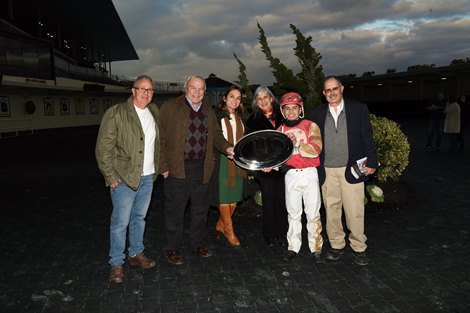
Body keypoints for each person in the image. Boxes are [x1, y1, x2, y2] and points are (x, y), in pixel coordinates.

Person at [158, 75, 234, 265]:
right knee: (175, 211)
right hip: (178, 169)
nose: (197, 93)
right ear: (186, 88)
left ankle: (198, 242)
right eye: (193, 88)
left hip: (202, 168)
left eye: (201, 89)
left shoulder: (208, 111)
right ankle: (172, 248)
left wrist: (227, 148)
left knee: (200, 210)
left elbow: (216, 135)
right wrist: (163, 166)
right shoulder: (170, 107)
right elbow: (160, 138)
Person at [95, 75, 159, 283]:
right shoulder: (116, 113)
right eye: (142, 89)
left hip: (148, 176)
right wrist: (110, 175)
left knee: (139, 218)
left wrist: (158, 168)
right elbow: (103, 147)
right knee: (120, 222)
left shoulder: (153, 112)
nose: (146, 93)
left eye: (149, 90)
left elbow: (157, 143)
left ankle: (136, 254)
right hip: (123, 178)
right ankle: (116, 263)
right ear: (133, 91)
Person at [310, 76, 378, 266]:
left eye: (335, 89)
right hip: (326, 170)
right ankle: (337, 245)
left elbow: (367, 135)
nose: (332, 93)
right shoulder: (316, 114)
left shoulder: (358, 109)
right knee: (331, 210)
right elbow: (312, 142)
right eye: (327, 90)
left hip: (353, 169)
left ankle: (359, 247)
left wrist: (372, 160)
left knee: (355, 210)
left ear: (342, 89)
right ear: (324, 94)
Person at [274, 92, 323, 262]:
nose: (291, 112)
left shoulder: (311, 125)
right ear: (282, 110)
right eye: (287, 108)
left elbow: (316, 149)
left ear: (300, 109)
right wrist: (271, 166)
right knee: (293, 214)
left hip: (310, 174)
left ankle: (316, 248)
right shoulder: (279, 131)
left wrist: (297, 143)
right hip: (291, 176)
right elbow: (276, 156)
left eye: (294, 108)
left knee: (313, 213)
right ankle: (293, 247)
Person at [245, 86, 288, 247]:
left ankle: (283, 234)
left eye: (265, 97)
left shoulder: (284, 114)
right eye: (259, 99)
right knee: (269, 203)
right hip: (265, 168)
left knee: (283, 202)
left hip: (285, 167)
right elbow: (251, 147)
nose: (263, 101)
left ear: (271, 98)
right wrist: (263, 164)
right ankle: (270, 235)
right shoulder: (252, 120)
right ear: (256, 102)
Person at [210, 85, 247, 246]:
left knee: (234, 198)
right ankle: (229, 230)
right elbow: (215, 138)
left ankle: (220, 223)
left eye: (238, 98)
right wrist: (227, 149)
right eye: (232, 96)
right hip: (223, 160)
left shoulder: (242, 117)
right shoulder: (216, 116)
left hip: (238, 162)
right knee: (224, 197)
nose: (235, 100)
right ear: (225, 98)